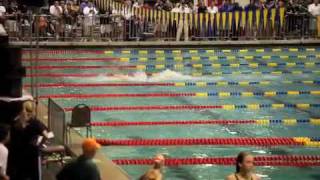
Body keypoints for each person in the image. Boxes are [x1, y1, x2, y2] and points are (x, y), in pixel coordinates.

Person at [7, 100, 50, 180]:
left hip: (18, 154)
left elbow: (9, 138)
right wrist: (40, 144)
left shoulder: (15, 123)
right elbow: (46, 136)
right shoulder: (35, 122)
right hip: (32, 154)